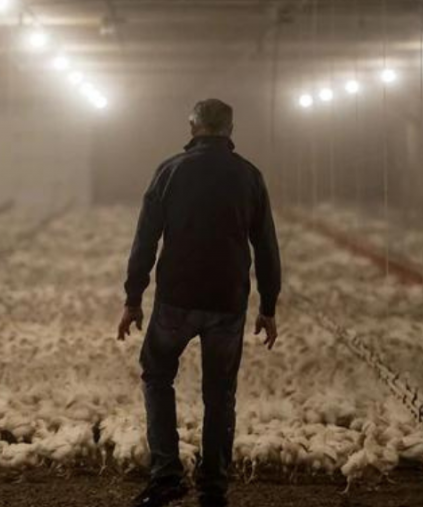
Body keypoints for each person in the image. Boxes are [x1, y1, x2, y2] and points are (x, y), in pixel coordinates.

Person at [117, 98, 282, 507]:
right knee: (220, 393)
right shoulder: (249, 176)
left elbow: (145, 239)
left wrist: (133, 298)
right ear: (230, 129)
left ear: (192, 125)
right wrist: (268, 306)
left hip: (177, 297)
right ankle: (213, 487)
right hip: (228, 301)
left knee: (157, 377)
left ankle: (167, 476)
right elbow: (266, 245)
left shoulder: (170, 171)